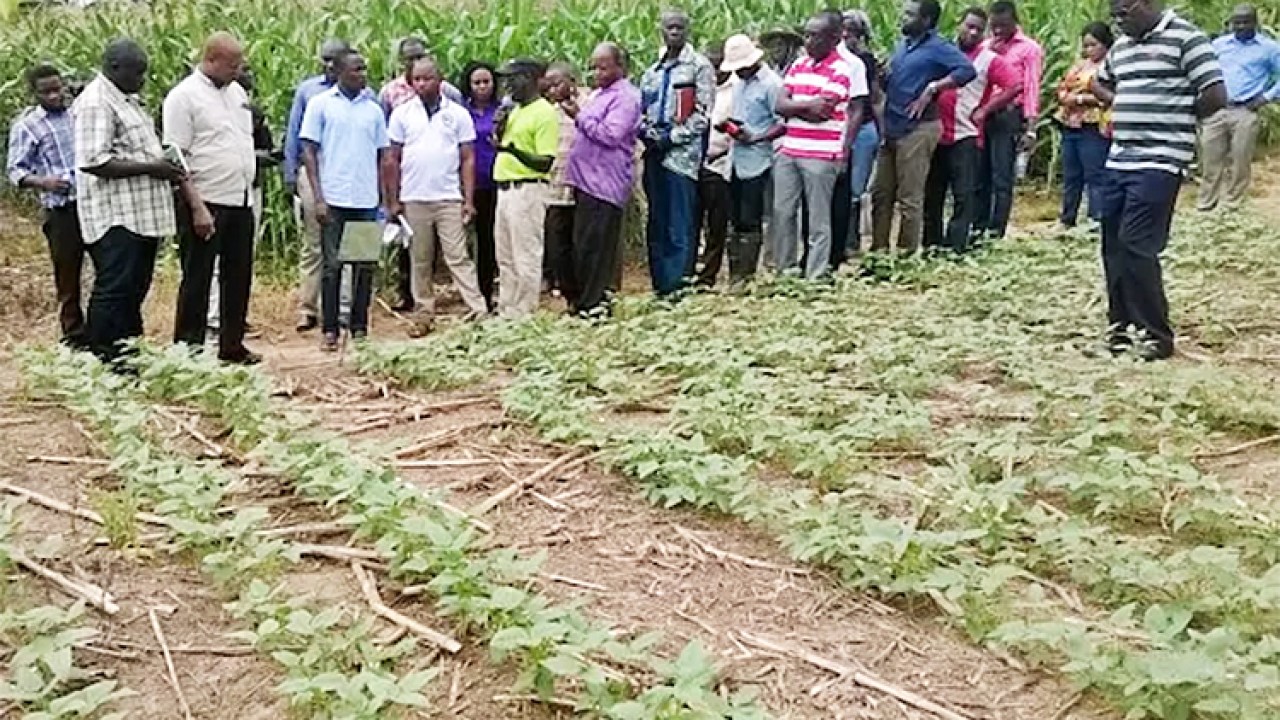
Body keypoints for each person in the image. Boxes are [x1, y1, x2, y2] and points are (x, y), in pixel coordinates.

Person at [1091, 0, 1226, 360]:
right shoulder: (1121, 46)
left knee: (1137, 244)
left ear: (1148, 4)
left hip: (1162, 159)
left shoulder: (1187, 39)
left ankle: (1155, 337)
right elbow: (1099, 83)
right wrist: (1124, 102)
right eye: (1113, 14)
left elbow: (1214, 95)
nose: (1117, 21)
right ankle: (1120, 331)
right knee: (1113, 246)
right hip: (1120, 158)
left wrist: (1175, 113)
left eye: (1123, 12)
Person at [73, 38, 188, 362]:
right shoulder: (97, 102)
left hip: (141, 216)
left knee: (132, 291)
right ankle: (106, 359)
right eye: (137, 73)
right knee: (114, 291)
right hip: (116, 217)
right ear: (114, 68)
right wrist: (153, 166)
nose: (142, 80)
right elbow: (94, 160)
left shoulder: (126, 99)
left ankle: (129, 355)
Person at [163, 33, 259, 365]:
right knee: (198, 277)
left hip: (240, 198)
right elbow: (176, 158)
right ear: (212, 60)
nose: (238, 70)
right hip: (206, 201)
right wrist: (197, 207)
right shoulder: (183, 98)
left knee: (238, 275)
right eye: (232, 65)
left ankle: (231, 346)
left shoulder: (236, 92)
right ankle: (189, 352)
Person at [384, 57, 488, 337]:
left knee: (458, 255)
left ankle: (478, 310)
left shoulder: (457, 114)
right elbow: (392, 159)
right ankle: (423, 312)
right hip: (414, 197)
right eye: (416, 79)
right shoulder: (402, 114)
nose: (421, 84)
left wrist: (468, 199)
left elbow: (467, 158)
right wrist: (393, 200)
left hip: (448, 197)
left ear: (439, 79)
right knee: (420, 258)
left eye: (427, 78)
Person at [299, 49, 389, 351]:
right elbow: (309, 151)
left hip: (365, 199)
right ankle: (330, 329)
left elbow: (382, 156)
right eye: (356, 70)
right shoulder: (320, 105)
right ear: (338, 72)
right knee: (332, 266)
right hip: (334, 197)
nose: (362, 74)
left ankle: (359, 328)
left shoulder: (373, 110)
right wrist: (319, 197)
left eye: (364, 68)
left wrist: (383, 199)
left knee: (364, 266)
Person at [871, 0, 976, 254]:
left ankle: (906, 254)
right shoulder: (902, 46)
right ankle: (879, 253)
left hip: (918, 128)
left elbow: (967, 70)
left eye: (910, 14)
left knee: (910, 197)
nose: (903, 18)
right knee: (881, 194)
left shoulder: (939, 47)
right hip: (893, 126)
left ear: (926, 21)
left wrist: (935, 87)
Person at [772, 10, 864, 279]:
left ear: (834, 39)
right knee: (783, 213)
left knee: (818, 219)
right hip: (790, 150)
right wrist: (806, 105)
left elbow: (822, 111)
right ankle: (785, 272)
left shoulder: (843, 70)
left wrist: (796, 106)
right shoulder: (799, 65)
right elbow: (780, 105)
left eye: (814, 36)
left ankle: (815, 275)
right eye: (807, 35)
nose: (808, 41)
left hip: (821, 154)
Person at [923, 7, 1021, 252]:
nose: (973, 32)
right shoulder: (944, 51)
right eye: (969, 26)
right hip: (936, 133)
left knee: (964, 196)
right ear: (959, 25)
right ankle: (932, 245)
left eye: (979, 29)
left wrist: (986, 110)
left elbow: (1014, 84)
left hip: (965, 135)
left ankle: (955, 247)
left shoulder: (988, 60)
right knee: (932, 194)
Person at [378, 37, 464, 312]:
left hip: (445, 188)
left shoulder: (450, 95)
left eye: (420, 58)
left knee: (453, 252)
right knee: (414, 251)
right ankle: (413, 299)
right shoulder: (390, 93)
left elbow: (463, 148)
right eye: (410, 60)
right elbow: (389, 149)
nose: (416, 68)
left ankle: (467, 302)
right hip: (412, 187)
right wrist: (390, 192)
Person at [7, 64, 85, 347]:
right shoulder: (27, 126)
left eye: (58, 88)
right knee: (68, 277)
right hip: (61, 210)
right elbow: (15, 171)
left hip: (91, 204)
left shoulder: (77, 113)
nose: (54, 96)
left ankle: (102, 333)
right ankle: (74, 337)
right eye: (46, 92)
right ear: (34, 93)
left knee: (108, 270)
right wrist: (44, 182)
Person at [562, 42, 643, 315]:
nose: (596, 71)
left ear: (620, 67)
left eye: (603, 66)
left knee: (597, 249)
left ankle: (595, 306)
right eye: (593, 66)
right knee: (582, 246)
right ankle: (585, 302)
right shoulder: (600, 94)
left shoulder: (626, 97)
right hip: (585, 181)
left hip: (604, 183)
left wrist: (579, 116)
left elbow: (611, 135)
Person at [639, 9, 715, 297]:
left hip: (680, 156)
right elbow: (642, 108)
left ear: (688, 31)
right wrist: (646, 133)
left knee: (679, 223)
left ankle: (678, 286)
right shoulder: (653, 70)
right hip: (653, 152)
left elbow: (701, 115)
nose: (674, 32)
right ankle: (660, 284)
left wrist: (670, 137)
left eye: (680, 28)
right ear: (661, 30)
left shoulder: (699, 67)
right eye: (669, 27)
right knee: (656, 220)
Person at [286, 39, 353, 332]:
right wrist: (290, 173)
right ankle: (308, 308)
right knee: (313, 244)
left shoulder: (364, 96)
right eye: (324, 59)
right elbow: (294, 134)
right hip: (313, 175)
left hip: (348, 177)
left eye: (334, 59)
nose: (328, 65)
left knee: (348, 244)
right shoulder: (308, 91)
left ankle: (344, 308)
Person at [207, 64, 277, 338]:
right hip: (217, 193)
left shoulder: (253, 113)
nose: (247, 75)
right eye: (241, 70)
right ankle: (213, 318)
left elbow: (266, 150)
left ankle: (234, 319)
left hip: (248, 191)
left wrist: (260, 158)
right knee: (214, 262)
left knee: (240, 262)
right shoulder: (212, 109)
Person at [491, 58, 559, 319]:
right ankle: (507, 310)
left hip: (528, 190)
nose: (508, 85)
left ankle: (525, 312)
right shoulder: (514, 110)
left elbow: (545, 162)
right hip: (505, 190)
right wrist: (500, 128)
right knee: (505, 258)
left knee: (526, 257)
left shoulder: (543, 112)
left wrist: (512, 150)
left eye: (513, 79)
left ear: (531, 78)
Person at [1198, 5, 1280, 211]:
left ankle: (1232, 205)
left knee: (1240, 160)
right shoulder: (1219, 44)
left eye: (1246, 22)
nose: (1241, 26)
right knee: (1210, 159)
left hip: (1246, 110)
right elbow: (1206, 70)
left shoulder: (1269, 48)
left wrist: (1267, 97)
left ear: (1255, 23)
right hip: (1217, 109)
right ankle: (1207, 203)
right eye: (1237, 22)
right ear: (1231, 23)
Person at [974, 0, 1043, 240]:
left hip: (1009, 115)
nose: (998, 31)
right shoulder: (986, 46)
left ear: (1014, 21)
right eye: (994, 27)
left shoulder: (1029, 48)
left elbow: (1032, 87)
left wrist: (1031, 127)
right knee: (980, 175)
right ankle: (978, 226)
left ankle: (996, 231)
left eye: (1003, 26)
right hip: (983, 114)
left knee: (1001, 176)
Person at [720, 34, 783, 285]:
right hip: (736, 158)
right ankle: (736, 273)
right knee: (735, 218)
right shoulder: (739, 83)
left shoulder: (771, 84)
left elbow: (782, 124)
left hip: (759, 160)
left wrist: (756, 137)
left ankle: (745, 276)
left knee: (750, 218)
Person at [1054, 22, 1114, 230]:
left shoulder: (1110, 66)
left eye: (1093, 45)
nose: (1089, 50)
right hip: (1071, 124)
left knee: (1095, 174)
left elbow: (1109, 96)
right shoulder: (1079, 65)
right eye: (1086, 45)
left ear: (1105, 44)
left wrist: (1079, 99)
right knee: (1072, 175)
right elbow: (1062, 87)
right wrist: (1065, 97)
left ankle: (1096, 218)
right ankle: (1067, 218)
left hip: (1093, 125)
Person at [836, 10, 884, 262]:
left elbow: (874, 98)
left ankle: (851, 241)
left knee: (856, 188)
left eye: (853, 32)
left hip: (863, 129)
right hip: (834, 129)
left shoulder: (865, 61)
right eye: (844, 30)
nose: (848, 36)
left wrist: (883, 131)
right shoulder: (831, 60)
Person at [690, 41, 735, 287]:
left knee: (716, 225)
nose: (715, 70)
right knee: (692, 222)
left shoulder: (735, 91)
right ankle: (689, 272)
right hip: (693, 164)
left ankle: (708, 275)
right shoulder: (699, 87)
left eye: (719, 64)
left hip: (719, 165)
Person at [542, 61, 586, 297]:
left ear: (572, 81)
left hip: (583, 187)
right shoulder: (549, 111)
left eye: (557, 84)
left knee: (582, 244)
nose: (552, 91)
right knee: (559, 246)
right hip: (556, 189)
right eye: (548, 87)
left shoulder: (589, 104)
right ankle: (569, 293)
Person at [460, 62, 501, 311]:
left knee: (489, 241)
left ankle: (487, 293)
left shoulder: (501, 111)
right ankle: (469, 295)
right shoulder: (461, 112)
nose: (482, 87)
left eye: (486, 82)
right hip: (468, 185)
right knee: (463, 243)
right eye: (477, 83)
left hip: (494, 182)